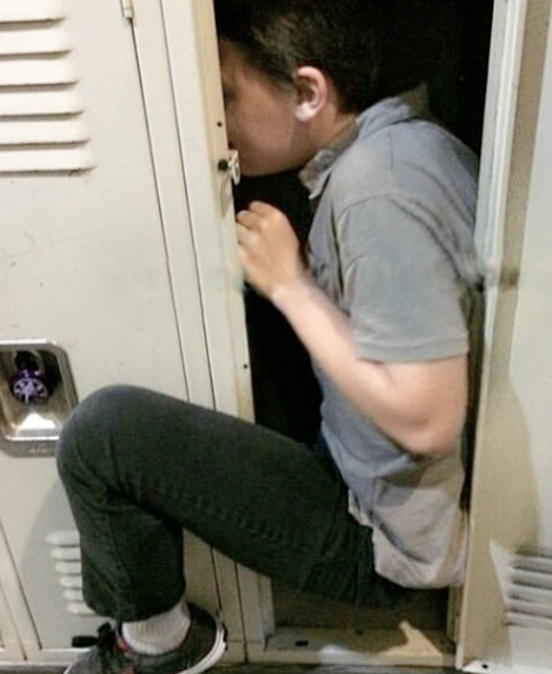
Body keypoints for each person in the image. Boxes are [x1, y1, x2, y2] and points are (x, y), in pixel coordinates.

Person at [57, 1, 483, 673]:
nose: (217, 119)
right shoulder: (408, 145)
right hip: (364, 472)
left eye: (227, 94)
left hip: (378, 542)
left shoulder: (377, 189)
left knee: (103, 436)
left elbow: (429, 419)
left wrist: (292, 286)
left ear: (309, 91)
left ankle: (158, 648)